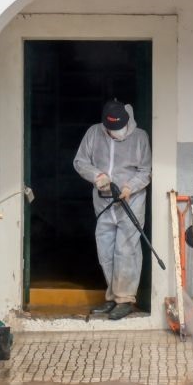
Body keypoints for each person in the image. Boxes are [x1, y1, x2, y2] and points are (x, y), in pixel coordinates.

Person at [73, 99, 152, 320]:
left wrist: (130, 187)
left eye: (118, 129)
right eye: (110, 130)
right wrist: (97, 176)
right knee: (106, 250)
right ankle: (113, 296)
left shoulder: (140, 137)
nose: (114, 133)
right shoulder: (94, 133)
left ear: (127, 123)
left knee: (126, 250)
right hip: (104, 201)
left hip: (131, 201)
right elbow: (80, 162)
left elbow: (146, 170)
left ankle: (125, 299)